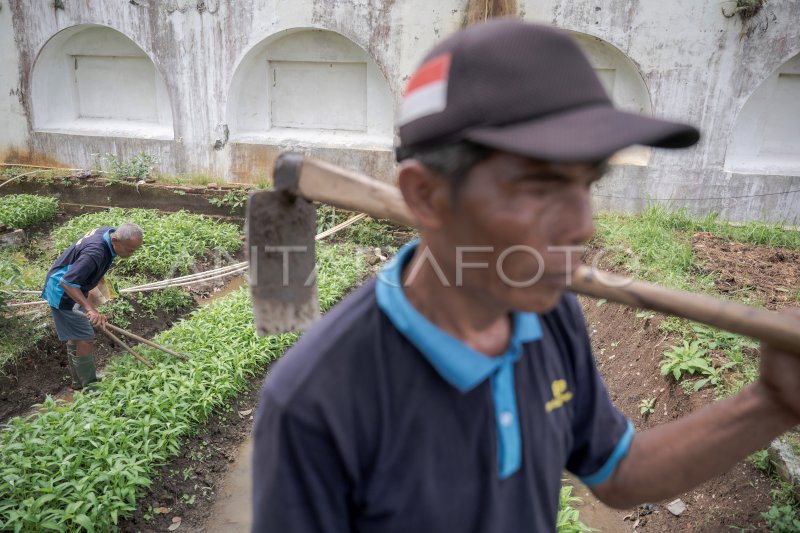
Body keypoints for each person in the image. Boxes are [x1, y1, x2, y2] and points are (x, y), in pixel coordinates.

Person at [251, 20, 800, 532]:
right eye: (540, 187)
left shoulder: (549, 313)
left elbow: (619, 471)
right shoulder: (314, 401)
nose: (583, 226)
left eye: (588, 184)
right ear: (426, 196)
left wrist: (772, 401)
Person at [42, 223, 143, 389]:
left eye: (134, 250)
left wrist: (100, 295)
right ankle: (90, 386)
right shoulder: (95, 253)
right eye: (129, 250)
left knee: (75, 336)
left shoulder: (108, 234)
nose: (131, 254)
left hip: (76, 286)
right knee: (85, 338)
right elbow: (67, 282)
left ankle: (78, 382)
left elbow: (96, 270)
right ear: (115, 240)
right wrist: (90, 309)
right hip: (64, 293)